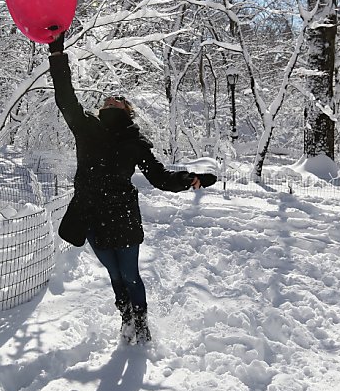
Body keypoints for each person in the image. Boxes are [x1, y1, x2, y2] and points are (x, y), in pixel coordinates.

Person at [46, 33, 216, 344]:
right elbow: (65, 97)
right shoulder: (86, 127)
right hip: (90, 214)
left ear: (128, 110)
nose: (110, 99)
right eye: (107, 98)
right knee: (114, 275)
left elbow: (159, 176)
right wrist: (57, 53)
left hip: (122, 215)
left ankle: (141, 322)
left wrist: (190, 178)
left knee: (129, 275)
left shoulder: (135, 142)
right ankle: (126, 318)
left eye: (118, 99)